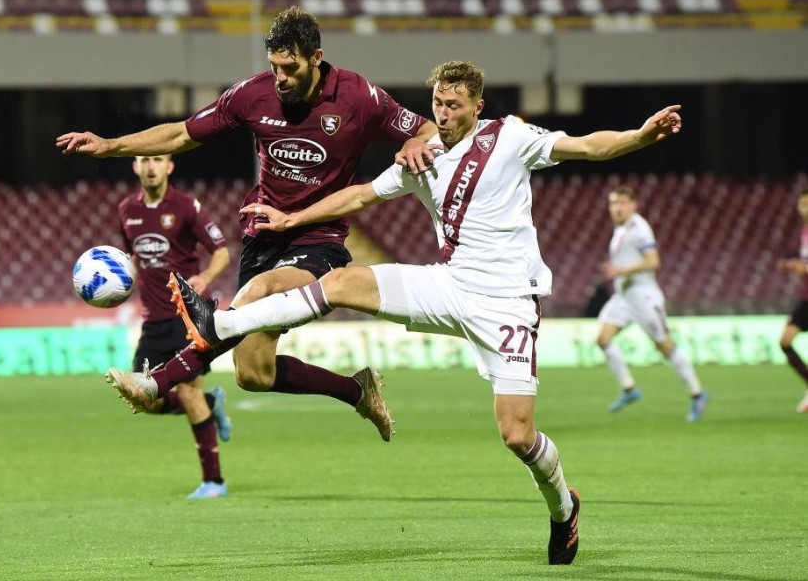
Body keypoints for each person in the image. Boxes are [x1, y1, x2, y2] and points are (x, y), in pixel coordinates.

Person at [107, 60, 686, 564]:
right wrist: (291, 221)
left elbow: (587, 146)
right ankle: (223, 324)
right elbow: (359, 196)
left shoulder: (511, 137)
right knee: (342, 281)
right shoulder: (423, 159)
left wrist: (640, 135)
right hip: (449, 284)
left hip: (507, 300)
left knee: (516, 434)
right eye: (438, 103)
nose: (446, 112)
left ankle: (564, 505)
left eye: (456, 104)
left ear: (477, 106)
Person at [57, 7, 437, 440]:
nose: (281, 78)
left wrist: (413, 144)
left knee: (261, 292)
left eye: (290, 68)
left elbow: (426, 130)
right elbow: (183, 133)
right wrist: (110, 146)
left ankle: (157, 381)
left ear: (317, 57)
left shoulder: (358, 97)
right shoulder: (252, 95)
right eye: (274, 67)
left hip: (319, 239)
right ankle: (357, 390)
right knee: (253, 373)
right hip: (263, 237)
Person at [119, 154, 233, 499]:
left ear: (169, 166)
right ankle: (213, 404)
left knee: (187, 391)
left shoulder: (185, 207)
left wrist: (207, 277)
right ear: (135, 167)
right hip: (153, 322)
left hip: (188, 318)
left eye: (157, 159)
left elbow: (222, 251)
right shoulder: (126, 210)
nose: (150, 166)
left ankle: (214, 481)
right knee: (143, 398)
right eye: (144, 160)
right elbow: (135, 258)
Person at [595, 186, 708, 422]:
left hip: (644, 297)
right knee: (603, 339)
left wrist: (620, 270)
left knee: (665, 347)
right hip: (624, 297)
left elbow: (653, 261)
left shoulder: (639, 229)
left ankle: (697, 393)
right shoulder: (621, 230)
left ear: (634, 204)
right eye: (614, 203)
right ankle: (629, 389)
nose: (617, 207)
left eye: (623, 202)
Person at [776, 188, 808, 413]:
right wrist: (792, 265)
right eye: (802, 204)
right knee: (785, 341)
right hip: (807, 299)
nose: (804, 209)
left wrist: (802, 268)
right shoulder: (804, 231)